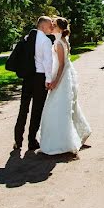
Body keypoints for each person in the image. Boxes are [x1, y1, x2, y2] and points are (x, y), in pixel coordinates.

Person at [38, 17, 92, 155]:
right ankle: (80, 132)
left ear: (60, 29)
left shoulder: (59, 43)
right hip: (66, 76)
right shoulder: (63, 41)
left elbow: (61, 65)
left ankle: (62, 142)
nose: (51, 27)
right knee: (68, 107)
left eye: (54, 25)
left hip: (62, 78)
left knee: (58, 109)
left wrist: (55, 81)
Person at [14, 16, 54, 152]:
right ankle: (32, 141)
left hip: (28, 77)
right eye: (50, 26)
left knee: (23, 108)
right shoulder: (46, 41)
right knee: (36, 110)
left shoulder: (28, 37)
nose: (52, 28)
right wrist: (48, 80)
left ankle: (17, 140)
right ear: (43, 26)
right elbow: (48, 63)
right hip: (40, 78)